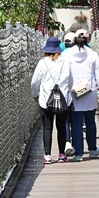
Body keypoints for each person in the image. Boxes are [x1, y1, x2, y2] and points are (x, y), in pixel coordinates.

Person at [63, 30, 99, 160]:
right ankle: (92, 149)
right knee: (90, 122)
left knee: (76, 123)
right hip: (90, 91)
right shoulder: (93, 54)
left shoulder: (67, 55)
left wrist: (66, 91)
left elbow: (64, 75)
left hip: (74, 92)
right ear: (88, 40)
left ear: (75, 39)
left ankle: (78, 154)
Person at [30, 36, 72, 164]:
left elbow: (35, 82)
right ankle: (61, 155)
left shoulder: (42, 63)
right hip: (63, 100)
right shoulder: (65, 62)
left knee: (47, 128)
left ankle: (47, 155)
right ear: (58, 50)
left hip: (45, 100)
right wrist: (68, 92)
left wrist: (35, 94)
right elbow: (70, 81)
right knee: (61, 127)